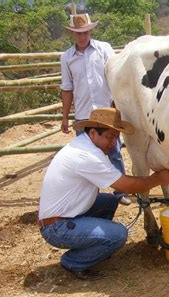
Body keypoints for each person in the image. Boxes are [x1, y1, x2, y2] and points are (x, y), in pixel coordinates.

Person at [38, 108, 169, 280]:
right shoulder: (86, 156)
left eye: (115, 138)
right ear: (92, 133)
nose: (113, 143)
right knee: (119, 234)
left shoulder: (84, 146)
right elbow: (125, 186)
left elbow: (119, 182)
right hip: (56, 228)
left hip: (62, 216)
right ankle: (74, 261)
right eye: (109, 137)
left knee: (109, 201)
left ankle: (95, 245)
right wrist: (158, 178)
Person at [59, 13, 131, 205]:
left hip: (106, 111)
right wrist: (65, 117)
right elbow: (67, 88)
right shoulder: (66, 57)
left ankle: (120, 191)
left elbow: (115, 78)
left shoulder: (104, 49)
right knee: (86, 157)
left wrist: (118, 108)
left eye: (85, 32)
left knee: (113, 150)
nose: (82, 36)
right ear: (72, 34)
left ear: (90, 31)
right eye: (78, 33)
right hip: (83, 115)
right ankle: (90, 196)